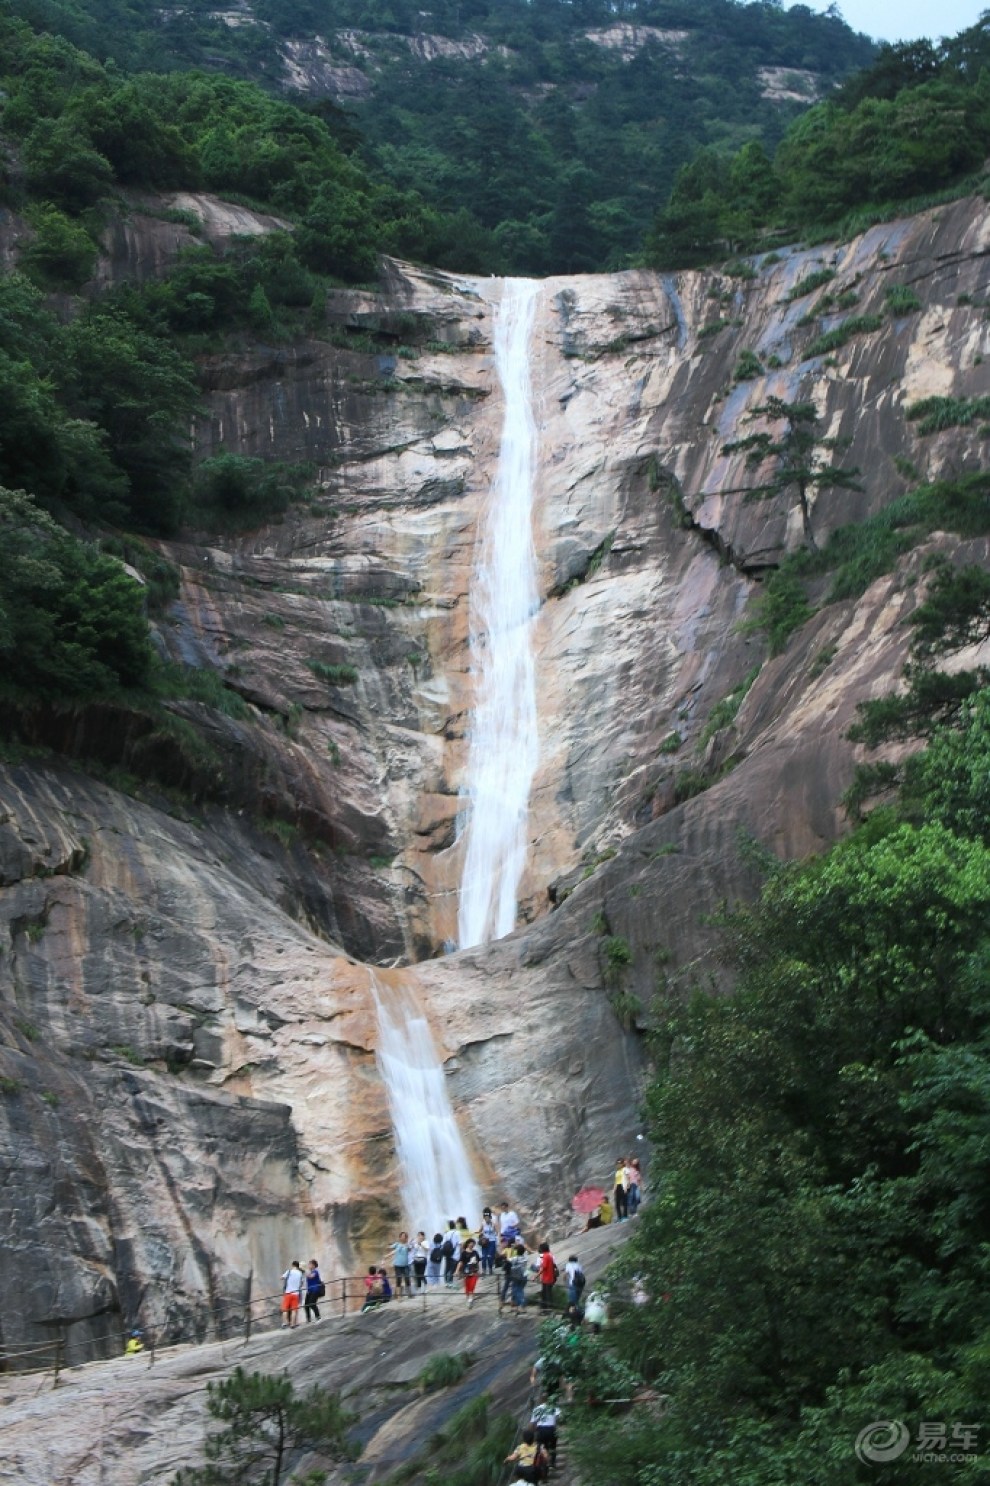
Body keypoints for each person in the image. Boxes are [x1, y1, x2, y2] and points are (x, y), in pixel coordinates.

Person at [530, 1399, 561, 1470]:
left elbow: (532, 1423)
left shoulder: (537, 1409)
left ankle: (544, 1467)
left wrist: (533, 1432)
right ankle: (552, 1463)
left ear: (541, 1400)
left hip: (541, 1430)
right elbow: (559, 1417)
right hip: (551, 1429)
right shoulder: (554, 1407)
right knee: (553, 1446)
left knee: (543, 1449)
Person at [281, 1260, 304, 1329]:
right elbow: (301, 1283)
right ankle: (293, 1324)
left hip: (288, 1293)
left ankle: (285, 1323)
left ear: (293, 1265)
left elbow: (281, 1278)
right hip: (296, 1293)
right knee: (294, 1310)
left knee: (285, 1309)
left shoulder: (289, 1271)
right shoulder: (300, 1273)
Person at [389, 1230, 412, 1299]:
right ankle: (399, 1297)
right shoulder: (397, 1244)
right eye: (402, 1236)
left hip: (405, 1265)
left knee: (407, 1279)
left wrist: (408, 1243)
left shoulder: (407, 1245)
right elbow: (390, 1248)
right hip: (398, 1265)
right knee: (398, 1280)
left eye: (404, 1236)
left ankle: (409, 1294)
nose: (403, 1238)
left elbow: (410, 1249)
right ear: (399, 1237)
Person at [459, 1236, 481, 1306]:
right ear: (468, 1244)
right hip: (466, 1272)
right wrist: (457, 1271)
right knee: (467, 1286)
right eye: (471, 1243)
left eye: (473, 1243)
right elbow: (461, 1262)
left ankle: (470, 1299)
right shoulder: (464, 1253)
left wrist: (480, 1270)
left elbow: (478, 1261)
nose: (472, 1245)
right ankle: (468, 1298)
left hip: (474, 1271)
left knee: (472, 1285)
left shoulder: (475, 1252)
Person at [509, 1242, 529, 1313]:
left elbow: (509, 1260)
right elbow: (525, 1252)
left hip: (516, 1276)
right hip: (525, 1275)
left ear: (516, 1251)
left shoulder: (515, 1258)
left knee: (517, 1290)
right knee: (520, 1290)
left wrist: (512, 1250)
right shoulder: (525, 1258)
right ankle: (518, 1306)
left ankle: (522, 1305)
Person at [537, 1242, 557, 1311]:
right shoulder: (550, 1255)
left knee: (546, 1294)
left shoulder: (545, 1256)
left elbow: (544, 1267)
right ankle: (548, 1307)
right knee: (548, 1293)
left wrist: (536, 1276)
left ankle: (547, 1309)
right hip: (550, 1277)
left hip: (546, 1278)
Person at [478, 1207, 499, 1274]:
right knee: (484, 1256)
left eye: (487, 1217)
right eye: (485, 1217)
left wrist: (496, 1237)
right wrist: (481, 1235)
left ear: (490, 1217)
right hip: (485, 1242)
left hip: (492, 1241)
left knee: (489, 1256)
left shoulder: (493, 1223)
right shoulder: (483, 1223)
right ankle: (484, 1270)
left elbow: (497, 1232)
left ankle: (490, 1268)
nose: (486, 1219)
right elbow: (479, 1231)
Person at [442, 1221, 461, 1287]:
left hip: (447, 1253)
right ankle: (450, 1281)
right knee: (452, 1268)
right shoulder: (457, 1233)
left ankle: (446, 1282)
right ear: (455, 1225)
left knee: (447, 1267)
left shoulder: (446, 1233)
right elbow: (459, 1243)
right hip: (455, 1253)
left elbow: (443, 1244)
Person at [613, 1156, 629, 1221]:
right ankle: (619, 1217)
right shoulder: (617, 1172)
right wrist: (614, 1189)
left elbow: (628, 1178)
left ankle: (625, 1217)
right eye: (617, 1163)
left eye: (619, 1163)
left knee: (624, 1202)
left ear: (622, 1163)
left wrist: (626, 1187)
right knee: (617, 1204)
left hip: (623, 1185)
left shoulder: (625, 1169)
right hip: (618, 1187)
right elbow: (616, 1181)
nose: (618, 1164)